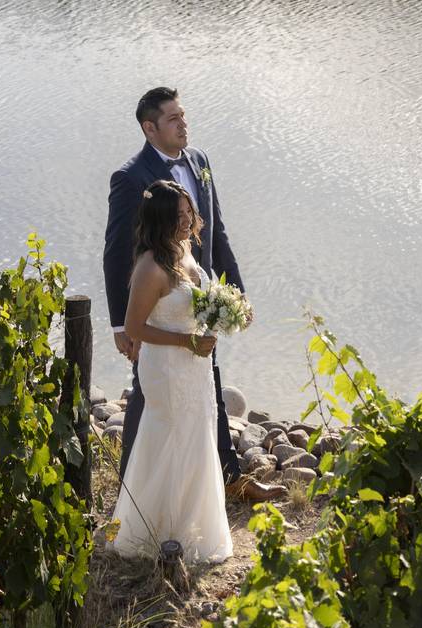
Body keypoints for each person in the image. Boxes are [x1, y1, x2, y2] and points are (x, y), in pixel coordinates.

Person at [103, 86, 286, 502]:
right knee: (146, 398)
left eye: (183, 115)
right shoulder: (131, 179)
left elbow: (215, 234)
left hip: (197, 299)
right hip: (157, 308)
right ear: (150, 129)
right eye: (173, 119)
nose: (184, 123)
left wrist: (236, 295)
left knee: (207, 383)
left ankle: (224, 480)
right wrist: (121, 324)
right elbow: (116, 255)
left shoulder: (200, 162)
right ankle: (133, 491)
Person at [109, 180, 232, 561]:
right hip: (167, 367)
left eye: (188, 213)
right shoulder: (150, 266)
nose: (186, 221)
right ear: (160, 219)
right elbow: (133, 328)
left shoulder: (183, 252)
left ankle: (191, 525)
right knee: (169, 439)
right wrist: (185, 343)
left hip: (194, 366)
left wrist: (228, 310)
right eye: (178, 216)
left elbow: (195, 302)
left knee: (197, 436)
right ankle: (154, 532)